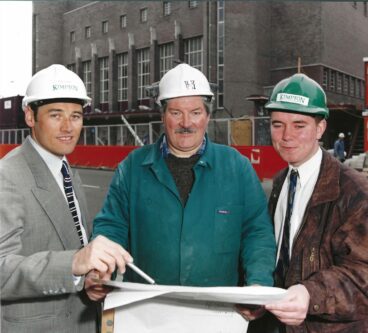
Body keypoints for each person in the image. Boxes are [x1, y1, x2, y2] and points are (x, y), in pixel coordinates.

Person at [87, 64, 276, 311]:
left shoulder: (237, 168)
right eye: (176, 113)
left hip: (216, 313)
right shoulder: (132, 168)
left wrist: (259, 284)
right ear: (163, 116)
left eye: (195, 112)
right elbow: (110, 229)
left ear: (207, 116)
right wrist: (99, 271)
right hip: (146, 311)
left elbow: (257, 233)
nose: (186, 123)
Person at [249, 73, 368, 332]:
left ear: (321, 127)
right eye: (277, 124)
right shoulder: (282, 181)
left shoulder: (353, 191)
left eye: (299, 125)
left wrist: (310, 294)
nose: (286, 136)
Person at [0, 64, 131, 333]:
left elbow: (73, 241)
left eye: (76, 116)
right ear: (30, 116)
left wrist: (87, 279)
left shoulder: (65, 169)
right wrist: (74, 263)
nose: (67, 127)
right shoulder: (8, 175)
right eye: (55, 115)